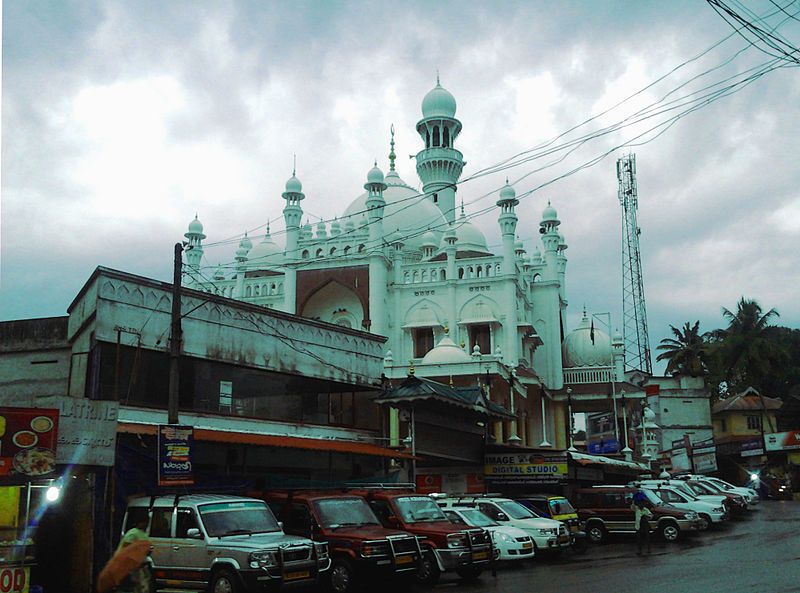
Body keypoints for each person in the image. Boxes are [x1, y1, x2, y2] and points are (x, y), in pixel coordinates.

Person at [117, 517, 151, 593]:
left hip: (137, 566)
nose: (147, 525)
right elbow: (127, 547)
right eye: (145, 523)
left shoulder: (141, 534)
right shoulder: (133, 533)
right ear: (141, 523)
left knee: (140, 586)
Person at [631, 492, 653, 556]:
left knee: (647, 537)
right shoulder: (636, 509)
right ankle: (639, 550)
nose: (641, 505)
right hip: (638, 526)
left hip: (645, 525)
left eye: (642, 504)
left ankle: (648, 549)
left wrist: (647, 517)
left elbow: (651, 515)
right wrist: (633, 501)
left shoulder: (645, 510)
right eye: (640, 503)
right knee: (639, 539)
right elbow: (632, 507)